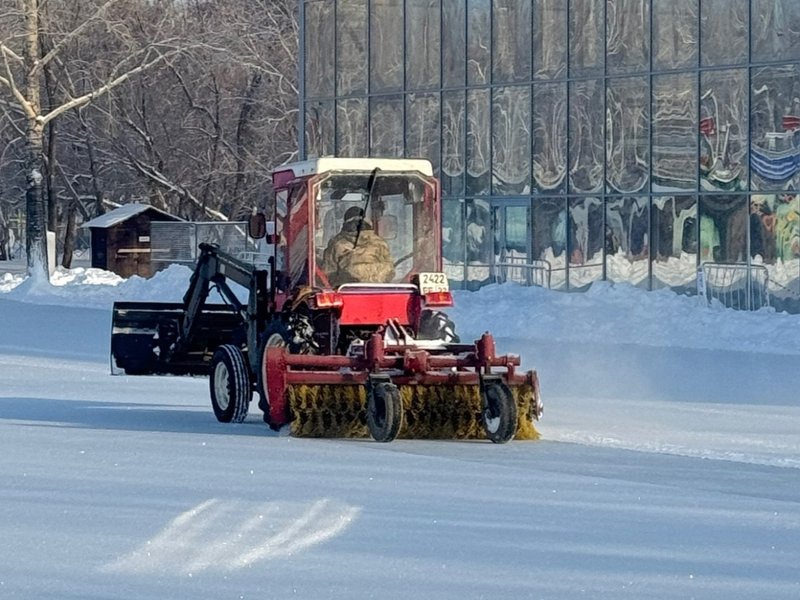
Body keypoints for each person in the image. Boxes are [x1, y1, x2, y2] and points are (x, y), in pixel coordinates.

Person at [321, 206, 395, 287]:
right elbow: (390, 271)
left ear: (345, 223)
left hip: (346, 294)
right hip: (381, 293)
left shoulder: (336, 243)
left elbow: (328, 274)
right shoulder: (380, 243)